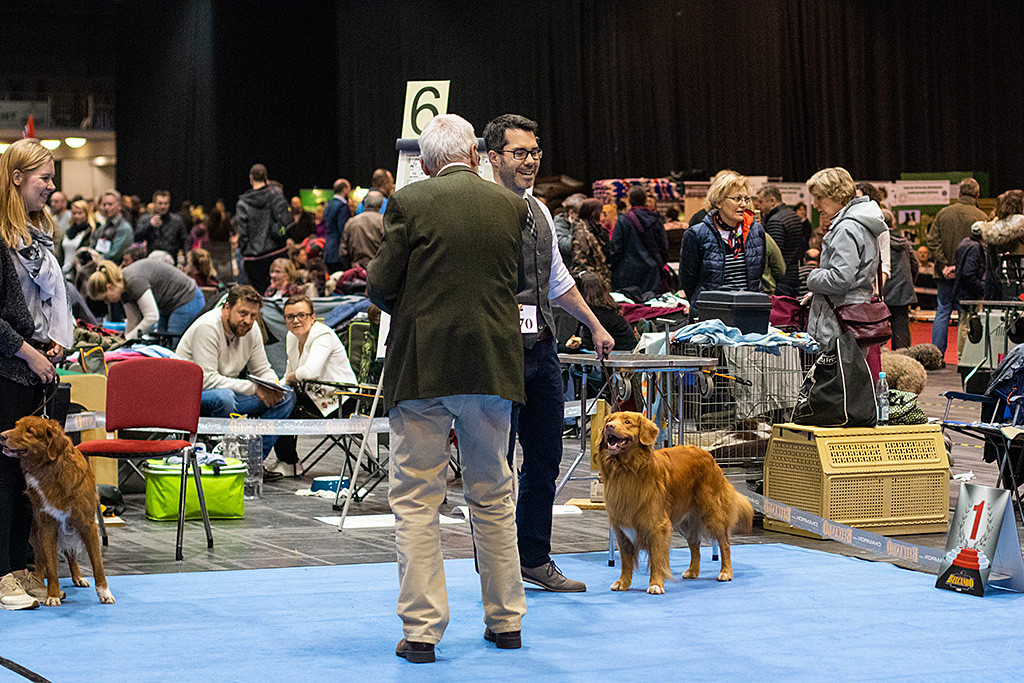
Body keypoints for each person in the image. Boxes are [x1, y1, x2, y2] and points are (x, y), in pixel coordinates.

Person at [366, 113, 527, 660]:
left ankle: (422, 634)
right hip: (492, 366)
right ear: (477, 156)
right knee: (494, 494)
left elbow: (381, 284)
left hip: (423, 369)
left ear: (427, 164)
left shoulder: (410, 201)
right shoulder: (513, 205)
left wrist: (417, 308)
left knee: (416, 500)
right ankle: (507, 622)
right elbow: (519, 282)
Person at [485, 113, 614, 593]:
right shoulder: (483, 209)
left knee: (546, 458)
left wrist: (595, 325)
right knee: (494, 465)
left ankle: (533, 558)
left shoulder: (539, 210)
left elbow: (558, 281)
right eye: (520, 153)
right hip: (497, 355)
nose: (530, 162)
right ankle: (495, 562)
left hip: (542, 352)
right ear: (493, 157)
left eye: (534, 152)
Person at [0, 138, 71, 610]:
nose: (52, 186)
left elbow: (48, 306)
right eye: (44, 178)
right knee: (2, 481)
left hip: (37, 375)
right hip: (8, 372)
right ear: (17, 178)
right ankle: (3, 574)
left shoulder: (41, 242)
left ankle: (24, 564)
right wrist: (28, 352)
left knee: (31, 482)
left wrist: (54, 344)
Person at [176, 285, 297, 473]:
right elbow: (206, 380)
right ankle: (219, 459)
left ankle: (250, 461)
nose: (248, 321)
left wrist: (274, 386)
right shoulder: (207, 327)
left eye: (253, 315)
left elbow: (262, 368)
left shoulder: (252, 328)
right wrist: (255, 388)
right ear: (226, 308)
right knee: (224, 397)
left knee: (287, 397)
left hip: (228, 394)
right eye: (242, 313)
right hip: (192, 396)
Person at [803, 167, 887, 377]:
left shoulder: (845, 228)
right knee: (851, 380)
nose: (816, 205)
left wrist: (812, 278)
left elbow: (840, 279)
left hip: (838, 320)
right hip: (853, 316)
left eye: (819, 197)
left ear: (837, 195)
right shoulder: (862, 223)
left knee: (835, 384)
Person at [268, 295, 358, 476]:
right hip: (313, 396)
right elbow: (290, 372)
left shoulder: (323, 334)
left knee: (283, 404)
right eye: (290, 316)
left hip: (342, 401)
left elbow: (309, 373)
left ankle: (289, 462)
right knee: (277, 399)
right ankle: (287, 461)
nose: (295, 320)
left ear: (313, 316)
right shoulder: (291, 337)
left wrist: (288, 381)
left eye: (301, 315)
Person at [678, 171, 767, 319]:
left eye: (746, 199)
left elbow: (758, 274)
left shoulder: (756, 231)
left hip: (749, 312)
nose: (744, 204)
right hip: (711, 314)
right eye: (737, 199)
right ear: (718, 202)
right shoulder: (696, 234)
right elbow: (688, 280)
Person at [927, 178, 987, 356]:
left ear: (959, 193)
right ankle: (966, 356)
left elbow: (932, 241)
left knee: (942, 311)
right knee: (966, 314)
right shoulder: (982, 217)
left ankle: (937, 356)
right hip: (970, 276)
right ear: (977, 194)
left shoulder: (943, 213)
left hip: (944, 274)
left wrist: (945, 265)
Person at [86, 258, 205, 347]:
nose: (107, 303)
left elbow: (152, 317)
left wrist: (127, 338)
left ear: (109, 287)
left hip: (186, 298)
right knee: (161, 344)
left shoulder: (133, 280)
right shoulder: (122, 288)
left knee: (171, 348)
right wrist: (122, 343)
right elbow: (133, 321)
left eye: (106, 298)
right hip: (167, 304)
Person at [235, 163, 292, 294]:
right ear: (266, 177)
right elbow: (286, 221)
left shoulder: (243, 203)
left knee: (257, 298)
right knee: (281, 294)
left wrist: (244, 250)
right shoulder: (276, 194)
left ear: (251, 178)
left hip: (253, 259)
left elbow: (243, 232)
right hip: (277, 253)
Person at [610, 185, 669, 295]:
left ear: (629, 200)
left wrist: (613, 268)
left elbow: (616, 249)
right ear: (645, 200)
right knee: (653, 308)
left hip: (627, 272)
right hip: (652, 272)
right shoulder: (656, 220)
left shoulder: (623, 220)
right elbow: (664, 246)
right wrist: (661, 263)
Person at [754, 185, 806, 296]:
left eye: (761, 202)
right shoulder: (793, 215)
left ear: (772, 201)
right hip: (794, 275)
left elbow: (775, 257)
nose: (759, 206)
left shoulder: (775, 221)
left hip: (782, 281)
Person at [977, 189, 1024, 301]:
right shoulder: (1021, 230)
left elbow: (991, 266)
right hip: (1021, 290)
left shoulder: (991, 230)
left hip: (999, 288)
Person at [883, 217, 918, 350]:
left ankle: (880, 363)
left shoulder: (875, 241)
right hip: (902, 291)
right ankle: (903, 361)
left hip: (881, 291)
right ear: (893, 223)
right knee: (901, 328)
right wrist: (909, 283)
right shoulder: (904, 243)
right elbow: (915, 265)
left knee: (878, 330)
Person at [953, 222, 986, 355]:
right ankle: (964, 357)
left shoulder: (964, 243)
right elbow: (968, 273)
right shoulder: (976, 248)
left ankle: (962, 356)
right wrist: (980, 289)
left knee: (964, 323)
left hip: (962, 290)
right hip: (970, 293)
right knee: (967, 326)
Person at [134, 190, 188, 262]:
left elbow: (184, 243)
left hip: (171, 261)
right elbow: (136, 239)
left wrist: (184, 262)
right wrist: (149, 225)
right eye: (160, 203)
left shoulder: (177, 220)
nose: (163, 206)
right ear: (154, 203)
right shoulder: (145, 219)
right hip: (150, 261)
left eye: (166, 203)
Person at [570, 198, 611, 288]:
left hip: (600, 282)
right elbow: (579, 262)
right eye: (602, 212)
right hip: (592, 286)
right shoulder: (582, 233)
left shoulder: (595, 230)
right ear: (594, 213)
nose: (604, 215)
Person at [340, 190, 385, 269]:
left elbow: (343, 252)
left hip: (356, 270)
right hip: (378, 271)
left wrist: (350, 267)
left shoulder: (351, 222)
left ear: (364, 203)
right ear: (381, 205)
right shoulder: (384, 222)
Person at [91, 189, 134, 263]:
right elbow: (92, 247)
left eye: (110, 204)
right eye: (104, 204)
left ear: (119, 206)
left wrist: (95, 260)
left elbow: (114, 255)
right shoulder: (102, 227)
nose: (106, 208)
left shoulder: (125, 228)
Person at [322, 178, 351, 273]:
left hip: (329, 251)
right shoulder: (342, 207)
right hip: (338, 253)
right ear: (344, 189)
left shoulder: (328, 205)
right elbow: (343, 230)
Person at [60, 199, 95, 274]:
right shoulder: (68, 231)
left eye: (79, 213)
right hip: (64, 271)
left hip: (80, 273)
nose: (76, 216)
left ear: (86, 214)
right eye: (74, 213)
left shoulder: (91, 232)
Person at [553, 192, 586, 264]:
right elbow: (564, 245)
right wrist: (575, 226)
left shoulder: (584, 221)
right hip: (568, 264)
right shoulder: (560, 221)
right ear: (571, 213)